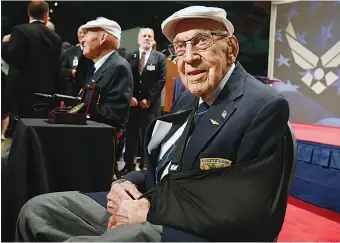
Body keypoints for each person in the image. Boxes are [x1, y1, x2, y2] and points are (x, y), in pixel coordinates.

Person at [15, 6, 290, 242]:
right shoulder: (187, 98)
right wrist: (124, 184)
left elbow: (251, 211)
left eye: (201, 42)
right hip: (150, 203)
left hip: (194, 229)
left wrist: (146, 211)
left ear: (231, 48)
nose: (189, 57)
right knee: (38, 211)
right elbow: (162, 171)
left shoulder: (261, 106)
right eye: (180, 47)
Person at [1, 1, 62, 119]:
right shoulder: (56, 37)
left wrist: (4, 44)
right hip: (45, 91)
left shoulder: (20, 30)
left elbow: (14, 58)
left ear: (28, 13)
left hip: (21, 90)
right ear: (46, 15)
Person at [73, 18, 133, 130]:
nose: (82, 40)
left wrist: (80, 113)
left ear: (102, 38)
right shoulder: (96, 67)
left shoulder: (119, 67)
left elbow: (114, 114)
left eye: (87, 34)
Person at [123, 28, 167, 173]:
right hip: (133, 104)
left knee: (148, 136)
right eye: (144, 35)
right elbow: (126, 78)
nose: (147, 38)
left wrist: (148, 99)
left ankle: (145, 166)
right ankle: (128, 165)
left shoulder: (159, 57)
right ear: (138, 39)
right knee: (131, 136)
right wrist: (131, 97)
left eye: (150, 36)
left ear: (153, 39)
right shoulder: (130, 55)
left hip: (150, 105)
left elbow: (161, 80)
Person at [59, 26, 93, 96]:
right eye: (80, 32)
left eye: (85, 33)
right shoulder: (69, 52)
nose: (82, 35)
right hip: (72, 91)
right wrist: (71, 72)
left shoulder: (94, 52)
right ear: (77, 34)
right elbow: (59, 69)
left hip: (90, 90)